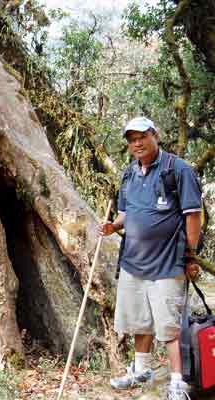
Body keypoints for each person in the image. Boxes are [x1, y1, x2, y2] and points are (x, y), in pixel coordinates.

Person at [100, 117, 203, 400]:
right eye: (131, 139)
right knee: (139, 321)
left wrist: (190, 256)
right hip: (133, 262)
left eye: (142, 137)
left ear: (155, 135)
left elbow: (193, 216)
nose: (137, 143)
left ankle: (177, 382)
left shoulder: (177, 170)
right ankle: (140, 370)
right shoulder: (129, 174)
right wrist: (113, 226)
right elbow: (126, 213)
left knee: (169, 327)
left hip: (167, 264)